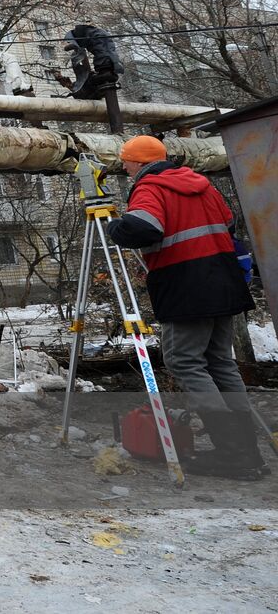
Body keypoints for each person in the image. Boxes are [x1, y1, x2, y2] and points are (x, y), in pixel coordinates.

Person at [106, 135, 265, 480]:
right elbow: (228, 222)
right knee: (220, 363)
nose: (126, 168)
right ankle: (247, 449)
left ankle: (232, 453)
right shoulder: (201, 184)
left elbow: (144, 228)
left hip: (187, 286)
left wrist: (114, 225)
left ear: (138, 162)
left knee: (184, 360)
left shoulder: (150, 186)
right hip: (224, 282)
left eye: (127, 162)